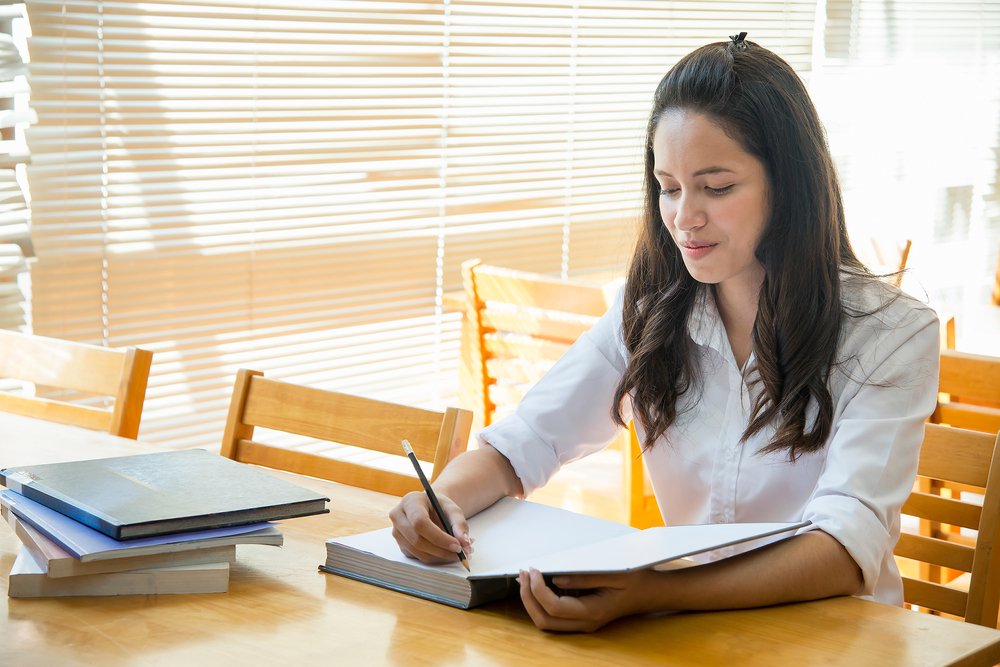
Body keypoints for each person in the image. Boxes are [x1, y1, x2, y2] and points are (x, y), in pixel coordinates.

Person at [389, 33, 940, 632]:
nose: (683, 217)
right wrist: (442, 500)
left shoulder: (891, 334)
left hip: (836, 641)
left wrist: (650, 591)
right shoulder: (651, 311)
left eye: (717, 186)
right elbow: (527, 442)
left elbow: (844, 546)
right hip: (686, 629)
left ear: (789, 186)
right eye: (669, 187)